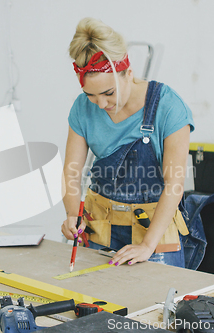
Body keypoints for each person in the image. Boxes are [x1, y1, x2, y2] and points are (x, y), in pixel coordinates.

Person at [61, 17, 195, 268]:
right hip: (100, 225)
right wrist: (72, 214)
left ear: (129, 74)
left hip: (153, 232)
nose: (101, 104)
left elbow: (174, 184)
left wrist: (147, 246)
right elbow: (71, 174)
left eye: (109, 93)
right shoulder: (82, 109)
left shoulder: (168, 106)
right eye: (90, 95)